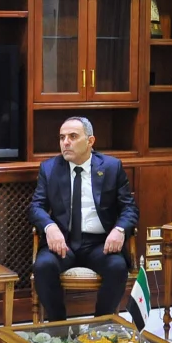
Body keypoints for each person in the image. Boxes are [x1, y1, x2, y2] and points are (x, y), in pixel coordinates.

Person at [29, 116, 138, 323]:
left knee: (117, 267)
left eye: (73, 136)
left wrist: (120, 230)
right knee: (43, 266)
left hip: (100, 244)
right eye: (62, 137)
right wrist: (49, 227)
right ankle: (58, 326)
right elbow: (36, 207)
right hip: (63, 242)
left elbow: (129, 208)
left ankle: (100, 326)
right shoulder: (50, 168)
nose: (65, 142)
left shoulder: (111, 167)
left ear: (90, 141)